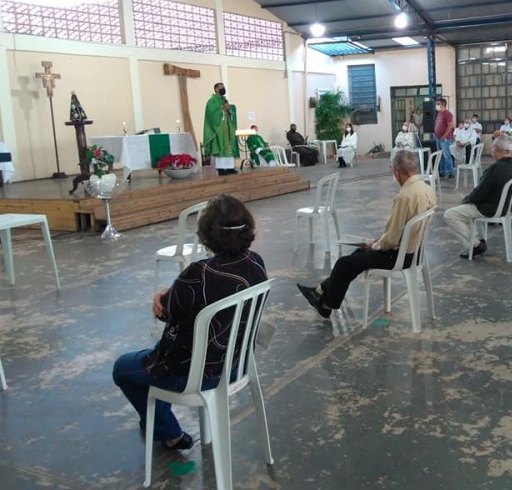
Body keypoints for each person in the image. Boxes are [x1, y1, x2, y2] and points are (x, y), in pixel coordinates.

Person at [112, 195, 267, 449]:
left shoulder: (198, 275)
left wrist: (160, 297)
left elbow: (166, 313)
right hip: (235, 365)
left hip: (198, 376)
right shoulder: (255, 262)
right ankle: (163, 423)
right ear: (247, 229)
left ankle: (169, 433)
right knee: (153, 363)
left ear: (206, 234)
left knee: (123, 369)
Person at [297, 150, 436, 318]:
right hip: (416, 252)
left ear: (396, 172)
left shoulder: (404, 197)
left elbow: (391, 239)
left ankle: (326, 304)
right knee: (357, 255)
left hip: (397, 257)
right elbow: (402, 231)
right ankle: (320, 292)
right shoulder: (427, 189)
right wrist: (376, 243)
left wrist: (375, 244)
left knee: (343, 263)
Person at [443, 135, 512, 258]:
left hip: (490, 208)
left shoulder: (494, 169)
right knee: (466, 208)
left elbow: (478, 194)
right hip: (507, 206)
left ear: (496, 149)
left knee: (450, 215)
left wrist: (465, 200)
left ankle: (475, 245)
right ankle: (477, 239)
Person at [203, 83, 239, 176]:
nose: (223, 89)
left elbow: (230, 112)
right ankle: (221, 169)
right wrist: (222, 109)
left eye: (224, 87)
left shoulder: (225, 100)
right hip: (218, 130)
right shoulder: (212, 101)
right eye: (221, 88)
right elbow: (211, 114)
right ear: (216, 89)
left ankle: (230, 168)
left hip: (227, 128)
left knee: (229, 147)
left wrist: (230, 109)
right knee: (220, 147)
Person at [434, 98, 455, 179]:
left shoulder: (448, 114)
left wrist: (444, 136)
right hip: (437, 138)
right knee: (441, 156)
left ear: (442, 105)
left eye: (438, 104)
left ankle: (451, 172)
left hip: (445, 139)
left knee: (447, 155)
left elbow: (450, 126)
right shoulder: (439, 113)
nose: (436, 105)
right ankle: (443, 171)